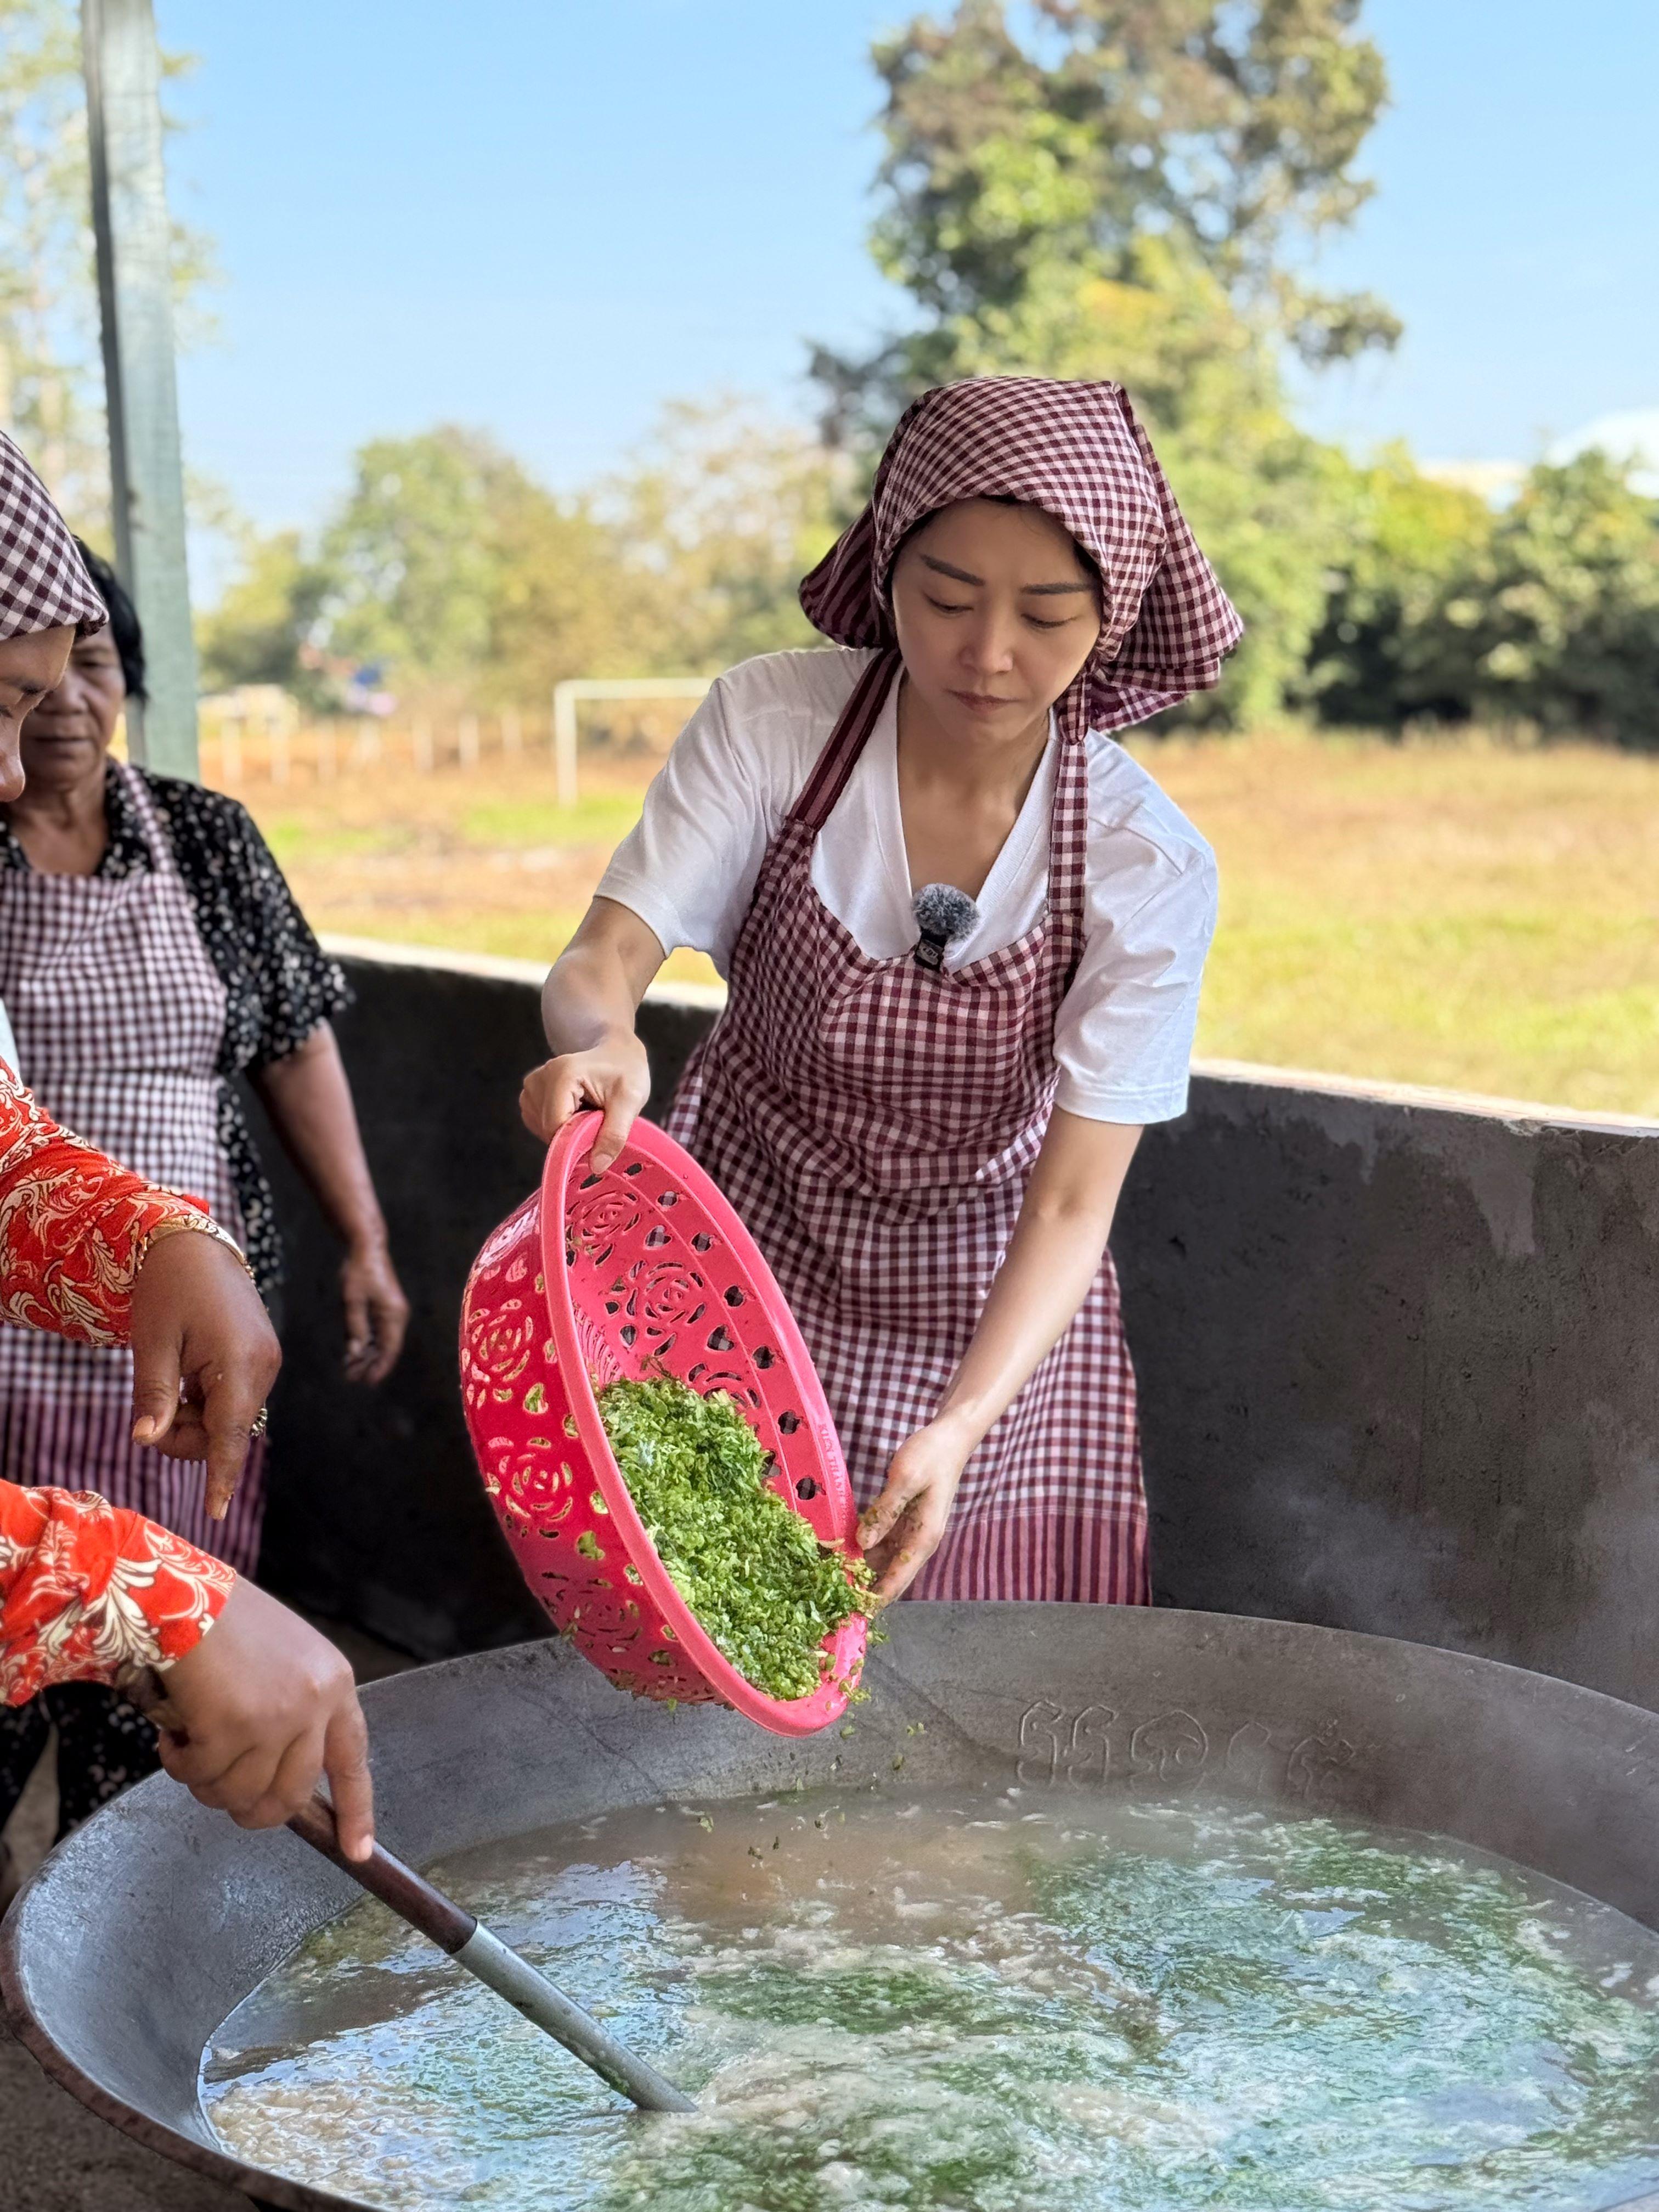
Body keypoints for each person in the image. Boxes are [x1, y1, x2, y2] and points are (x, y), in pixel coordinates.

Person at [521, 376, 1241, 1607]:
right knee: (709, 1624)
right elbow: (602, 962)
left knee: (964, 1690)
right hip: (740, 1253)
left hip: (987, 1302)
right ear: (885, 565)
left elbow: (1073, 1205)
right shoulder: (774, 723)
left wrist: (961, 1424)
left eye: (1049, 615)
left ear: (1114, 619)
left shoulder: (1145, 862)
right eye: (946, 597)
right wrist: (603, 1043)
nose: (991, 654)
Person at [0, 537, 408, 1840]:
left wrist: (161, 1242)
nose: (23, 755)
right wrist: (124, 1578)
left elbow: (294, 1042)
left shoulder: (206, 838)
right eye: (2, 698)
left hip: (167, 1347)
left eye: (65, 681)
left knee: (147, 1780)